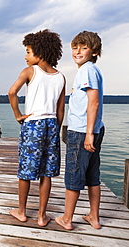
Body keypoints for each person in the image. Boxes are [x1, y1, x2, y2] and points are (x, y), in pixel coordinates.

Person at [8, 29, 66, 227]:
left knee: (26, 168)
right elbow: (60, 110)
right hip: (51, 125)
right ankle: (42, 216)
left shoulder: (30, 72)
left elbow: (12, 92)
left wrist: (18, 115)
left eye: (28, 52)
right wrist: (55, 130)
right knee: (46, 172)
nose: (25, 56)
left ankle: (22, 212)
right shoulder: (61, 77)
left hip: (33, 124)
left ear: (39, 53)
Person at [56, 31, 104, 230]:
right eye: (75, 47)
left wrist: (89, 133)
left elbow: (93, 102)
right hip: (93, 129)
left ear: (94, 52)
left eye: (84, 48)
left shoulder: (86, 71)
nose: (78, 51)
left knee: (74, 174)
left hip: (83, 131)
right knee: (92, 174)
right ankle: (93, 216)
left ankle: (67, 219)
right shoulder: (93, 70)